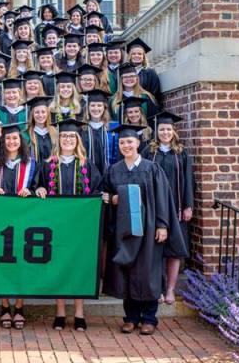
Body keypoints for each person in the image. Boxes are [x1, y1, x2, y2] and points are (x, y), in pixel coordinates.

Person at [102, 124, 187, 335]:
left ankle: (149, 318)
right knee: (127, 271)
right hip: (124, 232)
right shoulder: (114, 170)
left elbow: (162, 199)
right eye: (122, 142)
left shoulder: (151, 168)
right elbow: (105, 196)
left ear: (138, 143)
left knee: (148, 271)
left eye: (130, 142)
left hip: (148, 230)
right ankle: (130, 318)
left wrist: (162, 225)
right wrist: (112, 199)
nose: (126, 145)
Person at [35, 118, 102, 332]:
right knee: (59, 266)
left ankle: (80, 313)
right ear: (59, 139)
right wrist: (40, 190)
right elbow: (39, 186)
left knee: (79, 267)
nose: (67, 139)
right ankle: (60, 312)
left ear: (77, 139)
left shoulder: (86, 164)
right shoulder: (47, 165)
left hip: (81, 227)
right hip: (56, 226)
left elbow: (97, 190)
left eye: (71, 136)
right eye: (64, 136)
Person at [0, 123, 39, 330]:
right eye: (8, 139)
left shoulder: (31, 164)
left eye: (15, 138)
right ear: (3, 142)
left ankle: (20, 306)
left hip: (24, 222)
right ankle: (5, 306)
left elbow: (37, 187)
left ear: (21, 141)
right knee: (2, 262)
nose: (12, 142)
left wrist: (33, 190)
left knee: (21, 263)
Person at [141, 111, 194, 306]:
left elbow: (189, 180)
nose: (165, 132)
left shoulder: (181, 152)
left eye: (168, 129)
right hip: (154, 208)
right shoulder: (149, 152)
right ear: (156, 131)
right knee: (155, 250)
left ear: (174, 131)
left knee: (174, 250)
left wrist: (188, 205)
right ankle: (158, 289)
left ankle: (170, 289)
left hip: (177, 207)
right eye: (162, 129)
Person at [82, 89, 120, 177]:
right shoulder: (81, 129)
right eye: (92, 105)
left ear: (104, 107)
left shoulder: (114, 127)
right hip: (86, 176)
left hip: (110, 174)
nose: (96, 109)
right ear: (88, 107)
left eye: (99, 105)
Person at [127, 38, 162, 105]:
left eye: (140, 54)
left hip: (146, 106)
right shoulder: (124, 72)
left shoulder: (150, 73)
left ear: (143, 57)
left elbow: (155, 94)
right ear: (130, 56)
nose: (137, 56)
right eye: (133, 54)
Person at [25, 96, 56, 164]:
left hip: (52, 172)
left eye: (43, 112)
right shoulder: (26, 134)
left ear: (47, 113)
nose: (40, 115)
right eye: (36, 112)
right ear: (32, 115)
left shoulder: (55, 133)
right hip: (34, 173)